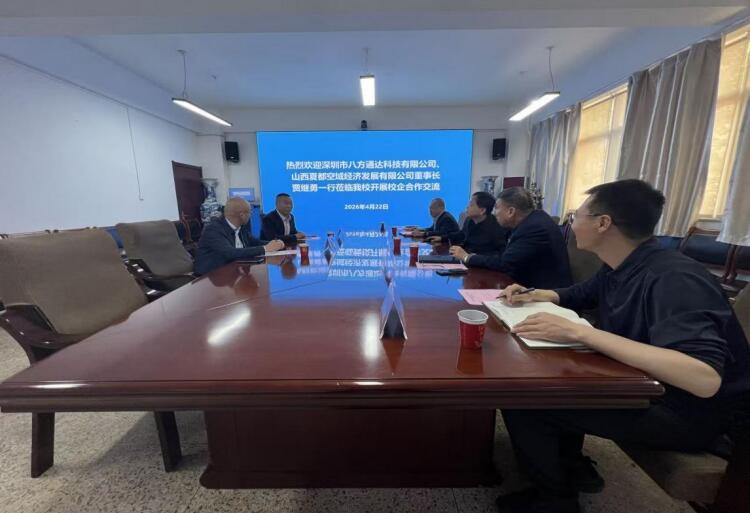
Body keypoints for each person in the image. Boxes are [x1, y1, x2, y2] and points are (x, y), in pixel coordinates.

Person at [495, 179, 750, 513]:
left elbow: (703, 377)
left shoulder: (674, 278)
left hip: (689, 414)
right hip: (644, 385)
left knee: (525, 397)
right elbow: (584, 293)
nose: (571, 224)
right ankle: (572, 469)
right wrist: (537, 294)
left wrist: (582, 333)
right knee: (554, 377)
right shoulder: (627, 263)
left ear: (603, 223)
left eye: (576, 216)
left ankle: (555, 500)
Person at [449, 187, 572, 289]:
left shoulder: (534, 228)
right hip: (527, 286)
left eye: (497, 208)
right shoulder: (532, 221)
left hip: (546, 296)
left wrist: (467, 257)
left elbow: (505, 263)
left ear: (511, 211)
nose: (494, 213)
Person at [194, 197, 284, 275]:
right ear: (242, 215)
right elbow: (230, 253)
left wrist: (274, 244)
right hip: (211, 277)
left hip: (234, 271)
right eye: (250, 212)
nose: (251, 215)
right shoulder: (214, 229)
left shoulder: (241, 227)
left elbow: (254, 242)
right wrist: (265, 248)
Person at [428, 191, 507, 257]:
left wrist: (472, 256)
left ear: (482, 210)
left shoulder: (497, 227)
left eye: (471, 205)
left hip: (482, 266)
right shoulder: (469, 220)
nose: (467, 207)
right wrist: (442, 238)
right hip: (465, 259)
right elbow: (461, 234)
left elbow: (499, 254)